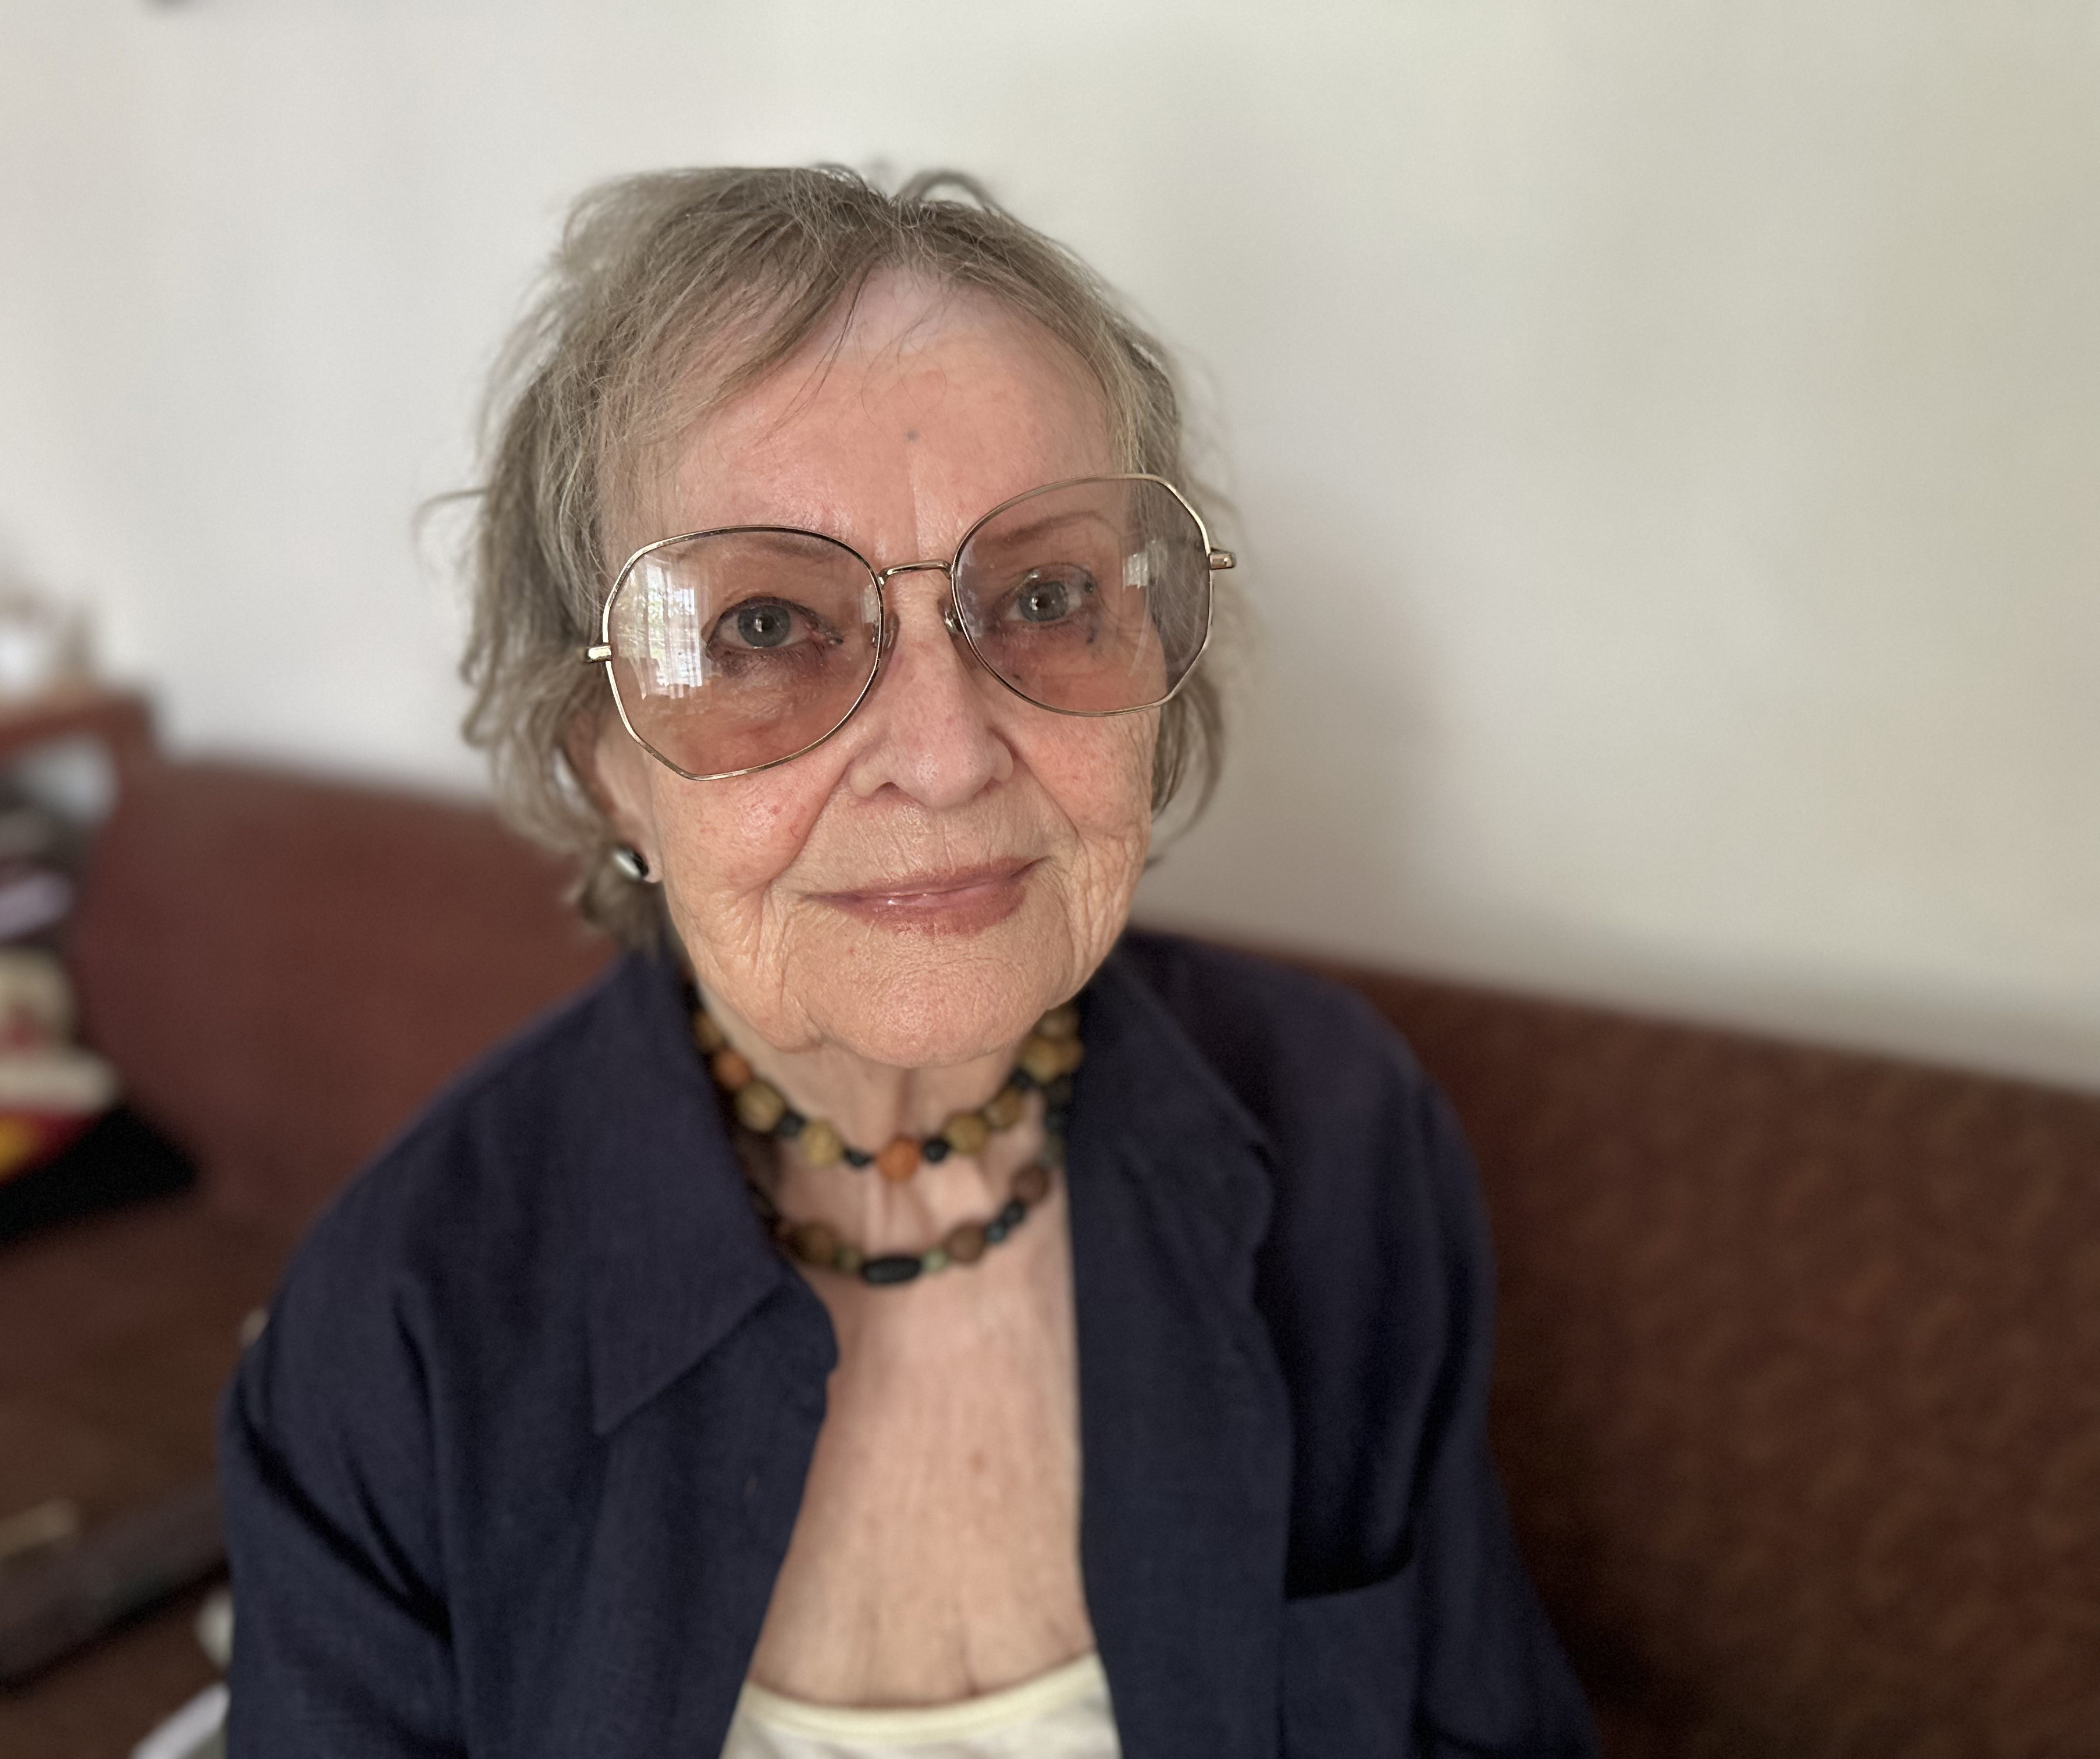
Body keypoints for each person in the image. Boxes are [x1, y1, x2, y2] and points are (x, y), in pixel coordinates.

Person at [219, 166, 1597, 1758]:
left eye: (1047, 596)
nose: (945, 759)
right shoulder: (396, 1325)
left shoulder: (1344, 1136)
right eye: (762, 629)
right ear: (604, 759)